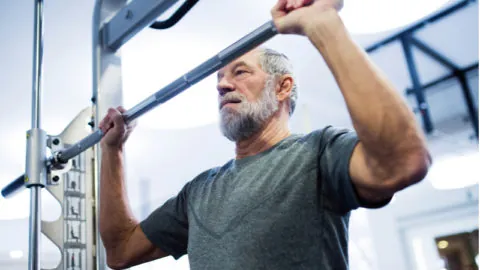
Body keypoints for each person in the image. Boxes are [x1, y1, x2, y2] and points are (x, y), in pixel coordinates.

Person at [97, 0, 432, 269]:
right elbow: (120, 250)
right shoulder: (199, 192)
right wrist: (113, 151)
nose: (223, 85)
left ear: (283, 86)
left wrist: (323, 26)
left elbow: (402, 162)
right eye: (218, 81)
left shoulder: (318, 153)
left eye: (240, 72)